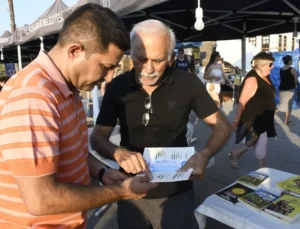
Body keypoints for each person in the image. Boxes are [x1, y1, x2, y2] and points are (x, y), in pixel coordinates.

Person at [0, 4, 157, 229]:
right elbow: (41, 200)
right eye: (105, 66)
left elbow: (71, 153)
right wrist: (121, 192)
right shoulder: (35, 96)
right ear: (75, 51)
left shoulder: (67, 89)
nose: (109, 77)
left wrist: (102, 172)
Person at [90, 19, 232, 229]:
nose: (148, 69)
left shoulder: (188, 83)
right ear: (131, 54)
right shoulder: (118, 87)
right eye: (141, 58)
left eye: (157, 60)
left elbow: (222, 125)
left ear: (171, 58)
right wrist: (118, 152)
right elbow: (97, 137)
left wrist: (205, 154)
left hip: (177, 193)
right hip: (131, 191)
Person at [228, 52, 276, 169]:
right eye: (270, 65)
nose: (272, 67)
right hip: (253, 117)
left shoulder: (265, 76)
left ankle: (237, 154)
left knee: (258, 142)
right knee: (256, 141)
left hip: (263, 116)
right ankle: (262, 169)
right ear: (261, 66)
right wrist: (236, 121)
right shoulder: (252, 79)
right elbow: (242, 102)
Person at [276, 55, 298, 125]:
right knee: (288, 105)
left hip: (282, 88)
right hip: (290, 89)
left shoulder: (281, 69)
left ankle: (271, 119)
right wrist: (296, 85)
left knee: (281, 104)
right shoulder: (292, 69)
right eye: (291, 60)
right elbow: (295, 79)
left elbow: (282, 78)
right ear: (289, 61)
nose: (292, 61)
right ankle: (286, 121)